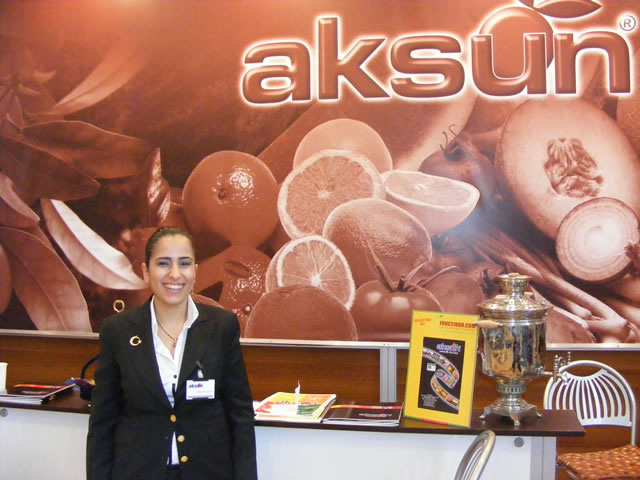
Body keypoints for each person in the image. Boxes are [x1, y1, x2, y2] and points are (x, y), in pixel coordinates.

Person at [87, 227, 258, 480]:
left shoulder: (221, 327)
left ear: (195, 271)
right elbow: (103, 420)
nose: (175, 274)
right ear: (146, 271)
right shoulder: (118, 330)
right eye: (163, 263)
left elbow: (240, 415)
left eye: (184, 263)